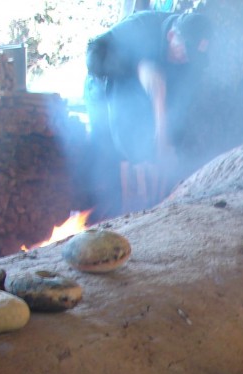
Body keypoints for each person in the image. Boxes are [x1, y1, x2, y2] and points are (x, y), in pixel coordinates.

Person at [85, 10, 211, 218]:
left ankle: (147, 210)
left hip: (147, 105)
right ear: (172, 36)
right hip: (105, 91)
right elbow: (93, 56)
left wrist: (169, 144)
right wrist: (137, 67)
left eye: (194, 57)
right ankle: (113, 215)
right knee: (114, 163)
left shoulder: (191, 63)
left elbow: (180, 108)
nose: (187, 60)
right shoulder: (141, 27)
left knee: (152, 161)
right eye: (185, 52)